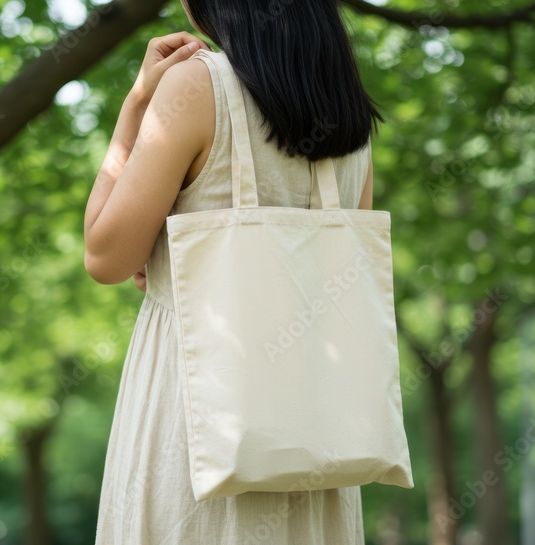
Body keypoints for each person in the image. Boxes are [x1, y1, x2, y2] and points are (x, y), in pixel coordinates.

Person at [83, 0, 383, 542]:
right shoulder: (351, 116)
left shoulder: (195, 87)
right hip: (313, 428)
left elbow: (105, 257)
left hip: (197, 412)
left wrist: (136, 105)